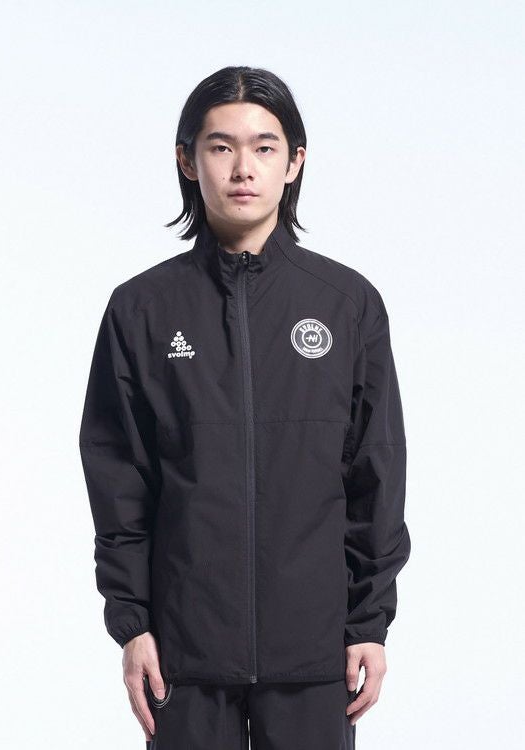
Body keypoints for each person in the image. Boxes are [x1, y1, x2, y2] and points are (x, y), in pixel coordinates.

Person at [78, 65, 411, 749]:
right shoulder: (141, 309)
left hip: (315, 652)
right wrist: (133, 625)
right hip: (183, 652)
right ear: (187, 160)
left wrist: (369, 624)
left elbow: (374, 474)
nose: (242, 168)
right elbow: (118, 481)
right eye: (220, 146)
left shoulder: (346, 304)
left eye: (263, 147)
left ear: (294, 162)